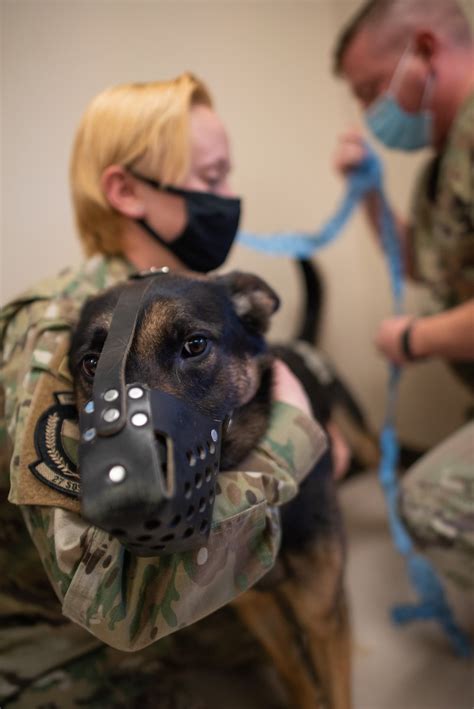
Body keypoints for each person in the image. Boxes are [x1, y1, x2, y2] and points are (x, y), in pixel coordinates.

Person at [0, 74, 327, 707]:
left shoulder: (184, 302)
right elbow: (116, 605)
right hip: (61, 635)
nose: (230, 199)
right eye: (210, 180)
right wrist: (292, 436)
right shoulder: (67, 334)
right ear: (125, 191)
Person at [332, 0, 474, 590]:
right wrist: (365, 193)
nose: (368, 113)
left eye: (369, 90)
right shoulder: (446, 159)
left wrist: (416, 338)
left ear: (423, 49)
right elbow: (425, 260)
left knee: (433, 504)